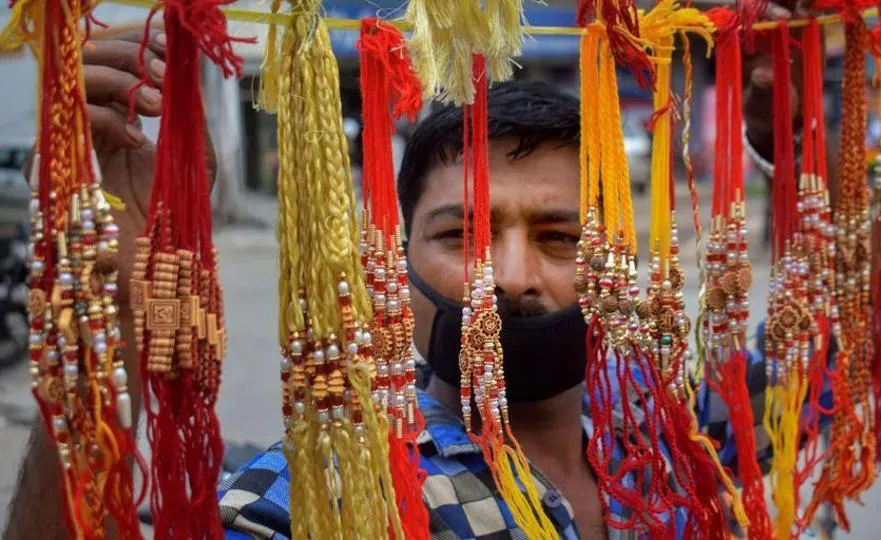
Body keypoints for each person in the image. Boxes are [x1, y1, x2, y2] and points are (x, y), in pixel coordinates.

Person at [3, 3, 825, 539]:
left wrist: (792, 136)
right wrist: (115, 298)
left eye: (562, 236)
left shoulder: (681, 435)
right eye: (461, 232)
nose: (509, 275)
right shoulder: (331, 498)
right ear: (398, 265)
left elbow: (851, 326)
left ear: (619, 264)